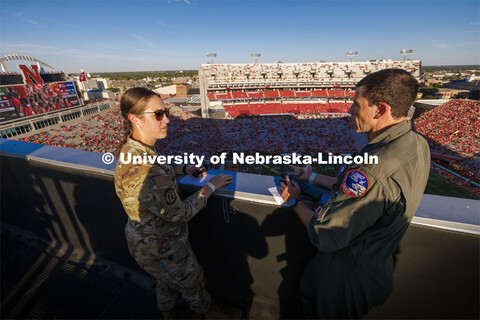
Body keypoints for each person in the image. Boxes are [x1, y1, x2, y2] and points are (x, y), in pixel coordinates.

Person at [280, 69, 430, 318]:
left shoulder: (372, 166)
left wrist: (294, 201)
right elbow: (361, 189)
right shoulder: (417, 143)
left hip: (345, 275)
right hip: (375, 266)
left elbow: (326, 236)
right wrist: (312, 177)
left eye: (356, 104)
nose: (349, 110)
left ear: (380, 110)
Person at [114, 87, 237, 318]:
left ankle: (167, 314)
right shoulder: (149, 169)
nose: (167, 119)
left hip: (144, 242)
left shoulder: (130, 148)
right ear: (134, 118)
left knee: (165, 282)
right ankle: (211, 313)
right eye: (158, 114)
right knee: (193, 282)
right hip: (163, 246)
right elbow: (180, 213)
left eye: (166, 112)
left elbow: (155, 165)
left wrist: (183, 169)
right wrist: (212, 185)